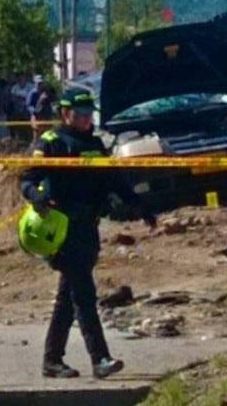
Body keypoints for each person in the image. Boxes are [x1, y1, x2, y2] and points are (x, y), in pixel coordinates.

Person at [20, 88, 156, 379]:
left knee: (67, 298)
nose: (86, 119)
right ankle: (100, 358)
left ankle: (52, 360)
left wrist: (139, 205)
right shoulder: (51, 142)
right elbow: (28, 179)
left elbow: (114, 180)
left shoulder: (95, 144)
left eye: (89, 114)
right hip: (62, 228)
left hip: (88, 227)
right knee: (84, 295)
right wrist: (36, 196)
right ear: (65, 113)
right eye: (80, 114)